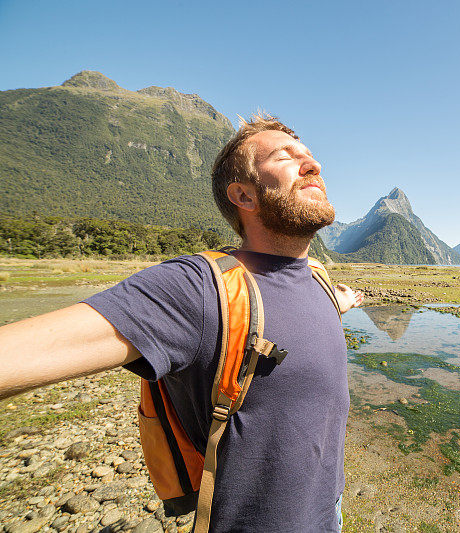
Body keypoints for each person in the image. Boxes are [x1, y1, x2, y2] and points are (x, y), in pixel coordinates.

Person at [0, 114, 363, 532]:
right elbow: (32, 351)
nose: (313, 165)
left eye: (310, 157)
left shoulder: (316, 277)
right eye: (285, 157)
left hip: (328, 512)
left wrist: (341, 301)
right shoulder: (197, 289)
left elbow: (303, 319)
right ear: (243, 195)